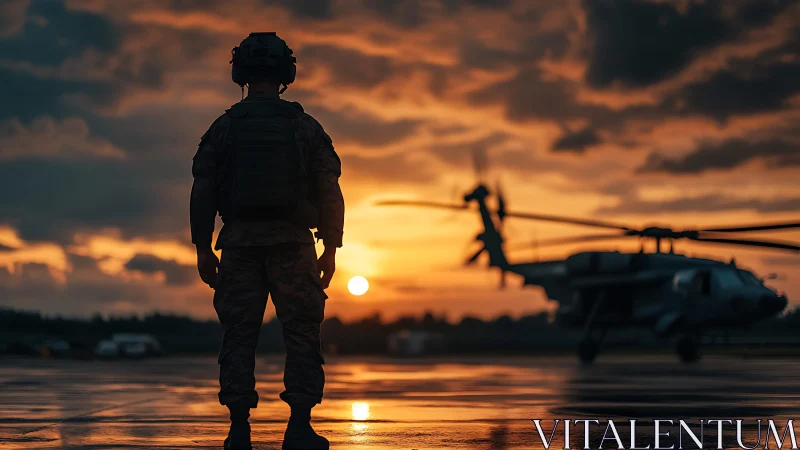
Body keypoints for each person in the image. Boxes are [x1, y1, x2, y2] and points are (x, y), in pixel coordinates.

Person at [190, 32, 344, 450]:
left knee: (238, 336)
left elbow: (203, 188)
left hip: (239, 246)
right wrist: (331, 246)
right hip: (294, 246)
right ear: (286, 73)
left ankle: (238, 429)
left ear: (240, 72)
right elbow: (329, 187)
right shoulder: (304, 127)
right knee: (301, 334)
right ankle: (299, 428)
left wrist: (203, 247)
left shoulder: (223, 127)